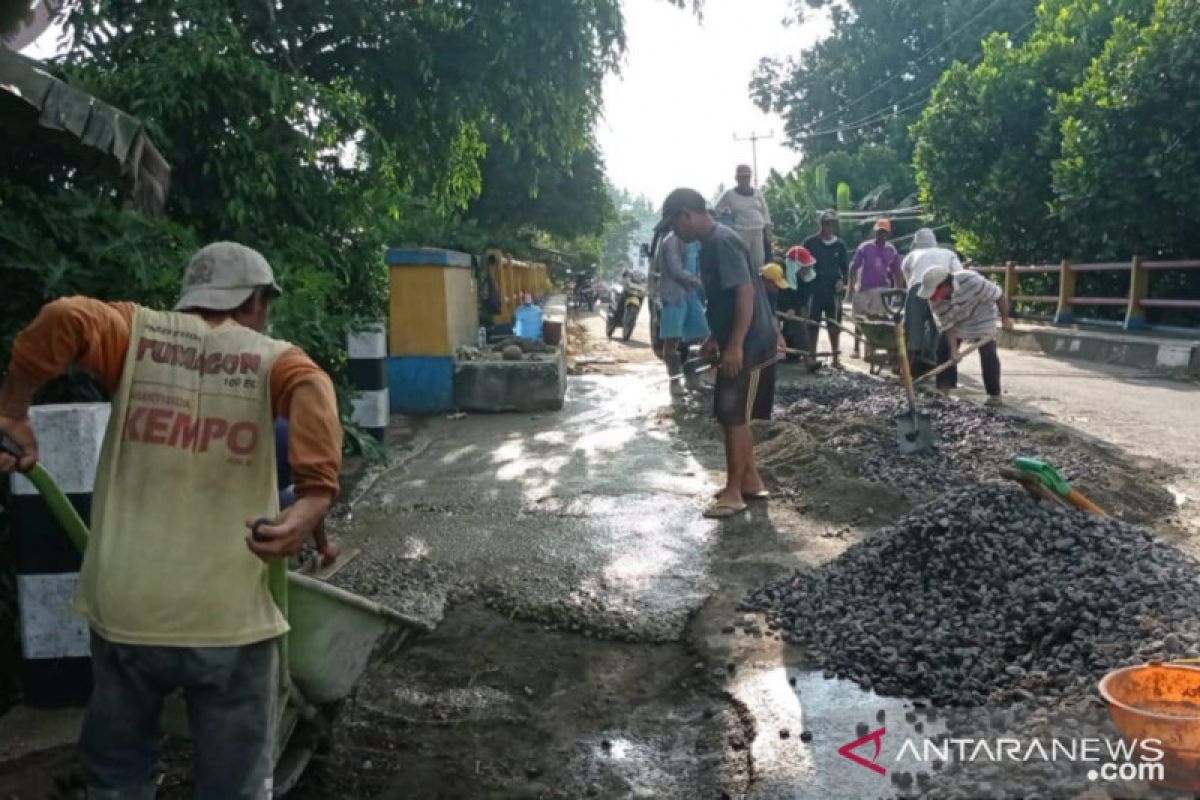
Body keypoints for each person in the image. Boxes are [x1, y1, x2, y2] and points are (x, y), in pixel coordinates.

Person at [0, 242, 342, 799]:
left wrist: (12, 408)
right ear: (256, 301)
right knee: (233, 786)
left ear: (191, 298)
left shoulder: (135, 336)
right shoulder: (275, 359)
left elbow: (64, 319)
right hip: (227, 618)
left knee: (117, 774)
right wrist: (314, 495)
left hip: (126, 611)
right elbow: (314, 390)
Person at [656, 188, 780, 519]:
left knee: (732, 414)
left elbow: (745, 293)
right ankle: (750, 480)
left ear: (687, 215)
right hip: (741, 339)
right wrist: (716, 336)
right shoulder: (709, 245)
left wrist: (736, 343)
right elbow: (725, 299)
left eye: (673, 224)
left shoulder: (722, 242)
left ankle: (734, 492)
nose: (674, 232)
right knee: (733, 414)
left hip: (752, 342)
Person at [919, 264, 1015, 406]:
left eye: (934, 292)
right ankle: (943, 390)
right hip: (957, 319)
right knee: (944, 348)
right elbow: (948, 326)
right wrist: (954, 351)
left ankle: (994, 395)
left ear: (945, 285)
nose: (933, 297)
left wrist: (1005, 319)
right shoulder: (934, 302)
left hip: (981, 314)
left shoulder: (971, 281)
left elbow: (999, 296)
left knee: (988, 352)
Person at [900, 228, 963, 385]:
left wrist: (915, 292)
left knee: (913, 332)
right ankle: (940, 373)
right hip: (942, 288)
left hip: (917, 290)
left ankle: (905, 373)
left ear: (916, 243)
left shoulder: (911, 255)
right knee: (941, 330)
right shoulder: (948, 253)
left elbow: (907, 277)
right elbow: (958, 274)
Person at [654, 231, 710, 397]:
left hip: (692, 295)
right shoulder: (671, 241)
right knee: (672, 342)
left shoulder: (696, 240)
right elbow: (676, 269)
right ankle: (675, 382)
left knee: (706, 336)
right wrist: (697, 281)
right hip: (674, 295)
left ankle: (693, 377)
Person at [848, 218, 905, 356]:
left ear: (888, 234)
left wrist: (899, 289)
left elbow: (897, 271)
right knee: (860, 319)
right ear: (875, 232)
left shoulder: (891, 250)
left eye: (884, 233)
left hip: (882, 290)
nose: (881, 235)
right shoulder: (865, 247)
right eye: (879, 232)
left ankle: (871, 349)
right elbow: (853, 266)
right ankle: (856, 348)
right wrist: (850, 285)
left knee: (877, 321)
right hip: (863, 288)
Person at [802, 211, 850, 368]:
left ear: (835, 225)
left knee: (834, 324)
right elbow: (801, 265)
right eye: (826, 223)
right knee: (812, 324)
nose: (828, 226)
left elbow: (845, 269)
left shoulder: (840, 245)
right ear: (821, 224)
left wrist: (842, 282)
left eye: (831, 223)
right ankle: (811, 357)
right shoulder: (810, 243)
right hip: (814, 289)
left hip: (832, 292)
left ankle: (836, 358)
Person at [713, 165, 773, 270]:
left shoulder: (757, 193)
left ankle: (758, 284)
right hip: (741, 231)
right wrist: (726, 215)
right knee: (743, 260)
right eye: (742, 176)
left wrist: (768, 228)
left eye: (747, 176)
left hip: (758, 230)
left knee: (759, 261)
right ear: (737, 178)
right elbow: (717, 210)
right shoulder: (730, 194)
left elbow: (765, 211)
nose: (745, 179)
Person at [777, 246, 817, 364]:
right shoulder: (780, 272)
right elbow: (777, 295)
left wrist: (792, 309)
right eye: (805, 266)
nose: (808, 268)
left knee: (800, 324)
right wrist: (785, 309)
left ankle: (807, 358)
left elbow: (803, 298)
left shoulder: (808, 278)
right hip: (777, 306)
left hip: (794, 307)